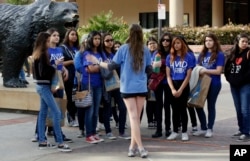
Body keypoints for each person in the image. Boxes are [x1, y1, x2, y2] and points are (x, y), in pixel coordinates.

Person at [86, 24, 151, 158]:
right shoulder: (145, 49)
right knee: (136, 118)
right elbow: (149, 70)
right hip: (141, 86)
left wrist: (97, 62)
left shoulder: (123, 49)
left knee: (133, 118)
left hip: (127, 86)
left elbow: (111, 66)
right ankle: (134, 147)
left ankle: (138, 147)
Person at [32, 32, 72, 152]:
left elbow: (40, 72)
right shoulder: (43, 54)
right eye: (49, 40)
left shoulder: (38, 54)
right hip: (44, 86)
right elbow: (44, 72)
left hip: (41, 85)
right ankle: (60, 142)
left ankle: (42, 141)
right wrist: (56, 65)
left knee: (43, 113)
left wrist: (55, 65)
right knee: (56, 112)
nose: (50, 42)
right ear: (45, 42)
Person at [193, 33, 225, 138]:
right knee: (197, 105)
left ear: (215, 42)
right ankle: (203, 127)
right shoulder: (202, 54)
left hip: (214, 84)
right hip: (202, 83)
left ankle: (210, 128)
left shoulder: (219, 54)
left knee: (211, 106)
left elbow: (218, 71)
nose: (208, 42)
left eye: (210, 40)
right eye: (206, 40)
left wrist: (204, 70)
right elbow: (197, 68)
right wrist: (199, 70)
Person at [166, 36, 193, 141]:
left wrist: (181, 89)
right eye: (174, 43)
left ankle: (184, 132)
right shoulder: (170, 57)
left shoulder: (188, 57)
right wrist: (172, 89)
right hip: (173, 84)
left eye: (178, 43)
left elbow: (188, 75)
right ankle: (175, 131)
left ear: (182, 44)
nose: (176, 45)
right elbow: (168, 75)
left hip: (184, 85)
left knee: (183, 109)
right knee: (174, 110)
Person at [79, 30, 104, 144]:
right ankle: (89, 134)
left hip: (98, 84)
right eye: (95, 38)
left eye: (99, 39)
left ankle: (94, 132)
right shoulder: (87, 53)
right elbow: (90, 69)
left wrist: (97, 65)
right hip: (88, 84)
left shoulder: (100, 53)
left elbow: (99, 67)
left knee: (96, 111)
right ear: (90, 40)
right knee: (90, 109)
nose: (97, 41)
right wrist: (100, 66)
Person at [224, 33, 250, 141]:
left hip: (245, 85)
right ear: (237, 41)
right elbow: (226, 69)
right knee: (238, 109)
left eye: (246, 42)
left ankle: (246, 132)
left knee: (245, 109)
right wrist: (230, 79)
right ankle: (241, 129)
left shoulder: (248, 53)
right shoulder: (231, 53)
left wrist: (241, 80)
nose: (245, 44)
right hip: (233, 85)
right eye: (242, 41)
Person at [152, 33, 172, 138]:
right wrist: (155, 64)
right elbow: (152, 64)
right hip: (158, 81)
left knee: (167, 105)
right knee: (158, 105)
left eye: (168, 40)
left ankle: (168, 129)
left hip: (169, 81)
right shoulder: (156, 52)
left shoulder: (173, 52)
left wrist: (162, 63)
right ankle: (158, 129)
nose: (165, 42)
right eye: (163, 40)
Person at [60, 28, 79, 127]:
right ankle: (71, 117)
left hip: (78, 76)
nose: (74, 36)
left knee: (77, 97)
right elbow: (60, 63)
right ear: (67, 36)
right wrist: (71, 62)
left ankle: (75, 116)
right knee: (70, 97)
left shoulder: (78, 48)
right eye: (72, 34)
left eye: (75, 35)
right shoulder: (63, 48)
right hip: (69, 75)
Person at [145, 37, 158, 129]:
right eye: (150, 44)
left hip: (158, 81)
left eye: (154, 43)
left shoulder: (159, 54)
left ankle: (156, 120)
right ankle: (150, 120)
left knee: (157, 102)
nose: (152, 45)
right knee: (149, 102)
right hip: (147, 81)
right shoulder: (145, 55)